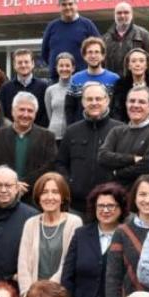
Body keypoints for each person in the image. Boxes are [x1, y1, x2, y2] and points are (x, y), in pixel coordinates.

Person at [62, 182, 128, 297]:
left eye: (111, 206)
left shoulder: (127, 236)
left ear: (121, 208)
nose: (105, 210)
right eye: (101, 206)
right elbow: (67, 278)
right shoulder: (81, 235)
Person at [55, 81, 122, 215]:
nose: (94, 103)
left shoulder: (121, 130)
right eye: (89, 99)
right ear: (83, 102)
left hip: (111, 204)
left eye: (98, 99)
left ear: (107, 101)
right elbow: (60, 163)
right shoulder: (72, 131)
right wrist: (70, 183)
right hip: (77, 206)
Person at [16, 172, 83, 296]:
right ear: (38, 197)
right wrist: (28, 295)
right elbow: (23, 264)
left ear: (63, 197)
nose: (49, 197)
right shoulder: (30, 223)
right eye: (44, 192)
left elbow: (68, 263)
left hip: (61, 294)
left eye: (55, 192)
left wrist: (47, 291)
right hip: (33, 296)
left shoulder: (74, 222)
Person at [0, 91, 59, 205]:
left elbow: (50, 165)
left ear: (35, 114)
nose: (25, 114)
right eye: (21, 110)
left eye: (30, 111)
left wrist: (22, 185)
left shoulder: (47, 137)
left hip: (35, 197)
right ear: (13, 111)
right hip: (3, 196)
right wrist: (12, 184)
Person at [97, 85, 149, 188]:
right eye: (132, 101)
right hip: (117, 194)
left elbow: (147, 165)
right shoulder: (116, 131)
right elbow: (103, 157)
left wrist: (116, 173)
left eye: (141, 102)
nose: (136, 105)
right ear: (126, 104)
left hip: (142, 194)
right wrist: (132, 159)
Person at [41, 0, 100, 76]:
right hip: (57, 78)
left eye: (70, 4)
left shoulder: (87, 25)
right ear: (59, 7)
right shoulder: (52, 26)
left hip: (82, 77)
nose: (67, 7)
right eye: (64, 5)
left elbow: (99, 50)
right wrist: (55, 66)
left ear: (76, 5)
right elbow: (44, 53)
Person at [65, 37, 121, 125]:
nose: (93, 56)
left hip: (108, 128)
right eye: (90, 52)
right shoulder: (75, 79)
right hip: (82, 128)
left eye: (97, 52)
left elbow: (118, 109)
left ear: (103, 56)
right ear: (84, 56)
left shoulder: (114, 79)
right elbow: (69, 108)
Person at [111, 48, 149, 126]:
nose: (137, 64)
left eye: (141, 61)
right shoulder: (120, 85)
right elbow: (117, 112)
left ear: (146, 65)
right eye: (133, 61)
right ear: (129, 65)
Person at [0, 49, 49, 127]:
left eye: (26, 62)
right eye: (20, 62)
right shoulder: (5, 88)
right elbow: (2, 113)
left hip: (38, 131)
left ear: (32, 64)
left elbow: (46, 113)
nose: (23, 65)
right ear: (14, 65)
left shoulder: (44, 87)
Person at [103, 2, 149, 74]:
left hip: (134, 79)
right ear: (114, 15)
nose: (122, 16)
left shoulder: (143, 35)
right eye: (119, 13)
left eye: (126, 12)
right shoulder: (105, 38)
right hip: (113, 79)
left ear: (131, 14)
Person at [42, 53, 75, 142]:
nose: (64, 69)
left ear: (73, 68)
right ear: (56, 68)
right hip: (54, 135)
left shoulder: (78, 89)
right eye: (61, 66)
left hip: (72, 135)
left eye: (67, 66)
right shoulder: (50, 90)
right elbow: (50, 114)